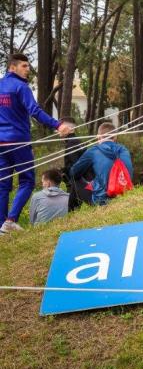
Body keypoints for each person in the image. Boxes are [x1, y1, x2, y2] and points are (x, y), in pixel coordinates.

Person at [0, 53, 72, 234]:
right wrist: (58, 125)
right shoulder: (20, 87)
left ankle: (1, 227)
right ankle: (10, 221)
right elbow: (35, 110)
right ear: (12, 67)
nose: (27, 69)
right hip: (18, 141)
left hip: (1, 144)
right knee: (27, 181)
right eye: (24, 66)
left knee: (3, 184)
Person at [70, 122, 133, 206]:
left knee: (76, 180)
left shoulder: (94, 151)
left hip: (102, 200)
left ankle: (71, 212)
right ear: (115, 137)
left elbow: (73, 172)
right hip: (124, 194)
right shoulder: (124, 150)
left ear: (98, 137)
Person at [60, 116, 93, 211]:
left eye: (60, 127)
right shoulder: (75, 141)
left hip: (77, 181)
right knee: (72, 210)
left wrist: (65, 171)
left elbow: (76, 166)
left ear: (69, 129)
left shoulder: (72, 143)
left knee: (72, 209)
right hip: (78, 181)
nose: (58, 130)